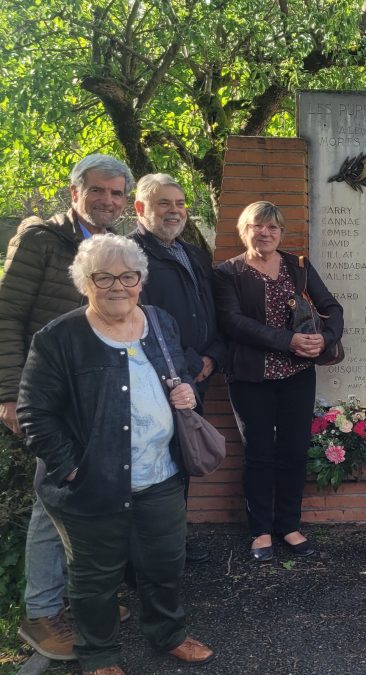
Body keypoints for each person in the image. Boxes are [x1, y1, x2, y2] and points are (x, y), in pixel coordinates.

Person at [17, 234, 214, 674]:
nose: (117, 286)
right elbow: (35, 413)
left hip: (161, 474)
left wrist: (184, 389)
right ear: (84, 282)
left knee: (165, 564)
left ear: (141, 280)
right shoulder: (58, 338)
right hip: (92, 483)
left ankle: (169, 634)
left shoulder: (160, 321)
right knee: (95, 578)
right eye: (102, 277)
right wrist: (71, 469)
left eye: (127, 276)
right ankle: (100, 654)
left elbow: (178, 369)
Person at [0, 154, 133, 661]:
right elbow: (7, 316)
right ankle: (41, 613)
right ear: (75, 192)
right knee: (51, 502)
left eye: (118, 193)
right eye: (98, 191)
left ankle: (82, 600)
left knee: (95, 497)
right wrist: (10, 393)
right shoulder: (41, 240)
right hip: (50, 394)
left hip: (101, 392)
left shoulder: (117, 248)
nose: (108, 201)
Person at [213, 201, 343, 562]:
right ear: (244, 230)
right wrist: (287, 341)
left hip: (297, 376)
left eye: (273, 228)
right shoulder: (228, 273)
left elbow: (332, 306)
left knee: (293, 451)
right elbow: (232, 322)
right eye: (258, 226)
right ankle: (260, 530)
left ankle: (289, 525)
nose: (266, 233)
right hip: (250, 377)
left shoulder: (297, 266)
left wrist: (326, 339)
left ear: (281, 233)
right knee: (258, 454)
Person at [129, 173, 227, 565]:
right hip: (157, 381)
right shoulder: (131, 256)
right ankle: (143, 560)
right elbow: (139, 322)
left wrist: (213, 357)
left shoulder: (194, 254)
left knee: (180, 462)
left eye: (180, 203)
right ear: (140, 209)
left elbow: (215, 314)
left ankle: (173, 546)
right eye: (163, 203)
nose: (175, 211)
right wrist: (188, 364)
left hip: (196, 380)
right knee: (152, 469)